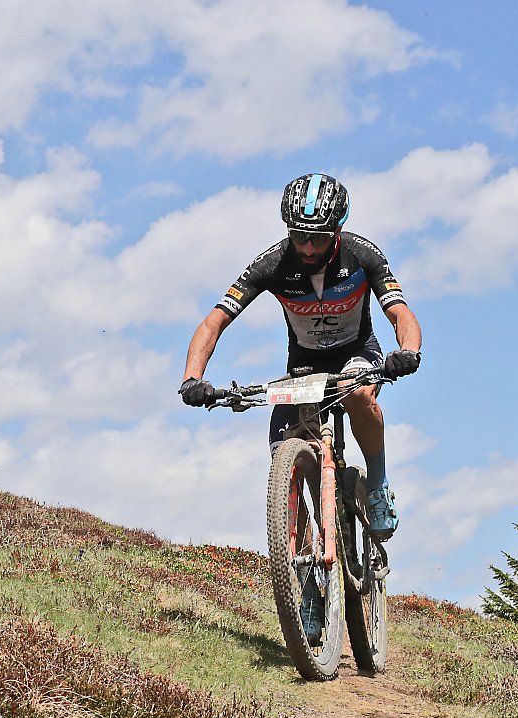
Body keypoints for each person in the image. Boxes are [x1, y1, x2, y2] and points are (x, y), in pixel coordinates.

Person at [179, 173, 422, 537]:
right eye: (298, 236)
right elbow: (214, 321)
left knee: (357, 393)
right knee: (281, 448)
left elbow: (401, 313)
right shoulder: (272, 264)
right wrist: (192, 378)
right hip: (304, 366)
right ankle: (298, 557)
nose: (308, 248)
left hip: (357, 353)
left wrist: (407, 351)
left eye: (319, 239)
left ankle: (378, 485)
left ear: (338, 230)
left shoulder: (361, 255)